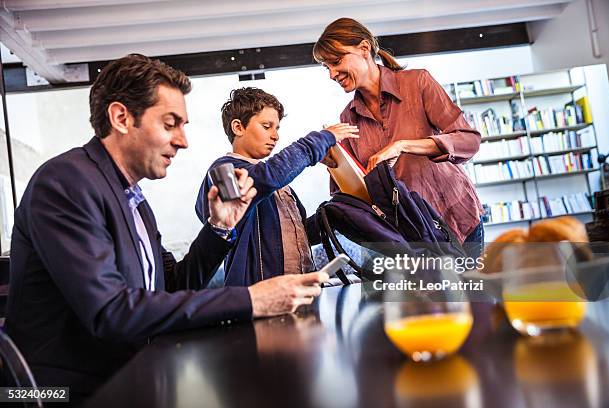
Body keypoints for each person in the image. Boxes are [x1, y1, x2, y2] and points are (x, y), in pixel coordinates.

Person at [5, 54, 328, 400]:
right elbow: (110, 312)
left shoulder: (135, 200)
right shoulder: (65, 183)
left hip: (136, 377)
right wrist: (251, 299)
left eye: (184, 125)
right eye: (170, 123)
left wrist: (219, 228)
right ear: (121, 118)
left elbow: (172, 287)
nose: (183, 140)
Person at [314, 18, 485, 259]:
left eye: (336, 61)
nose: (332, 74)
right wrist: (336, 166)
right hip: (412, 235)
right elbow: (358, 196)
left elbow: (469, 141)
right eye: (326, 67)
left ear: (364, 49)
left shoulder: (417, 83)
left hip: (456, 217)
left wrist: (403, 146)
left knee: (470, 295)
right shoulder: (347, 118)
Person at [196, 87, 358, 286]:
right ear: (238, 127)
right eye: (267, 126)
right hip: (257, 300)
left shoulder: (279, 185)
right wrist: (320, 140)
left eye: (277, 128)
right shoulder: (222, 173)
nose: (275, 136)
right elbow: (267, 177)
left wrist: (332, 216)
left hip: (300, 293)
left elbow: (295, 236)